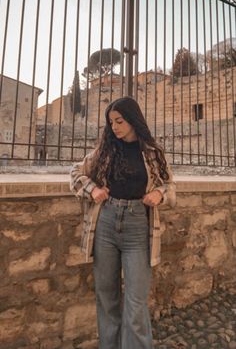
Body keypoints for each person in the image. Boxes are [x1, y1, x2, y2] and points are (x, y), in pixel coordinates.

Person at [70, 96, 176, 349]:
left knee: (136, 302)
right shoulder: (104, 152)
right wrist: (92, 189)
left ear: (133, 119)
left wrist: (159, 194)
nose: (114, 127)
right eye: (111, 122)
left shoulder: (153, 153)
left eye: (119, 121)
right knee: (107, 297)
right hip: (106, 224)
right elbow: (75, 173)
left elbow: (170, 185)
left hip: (138, 228)